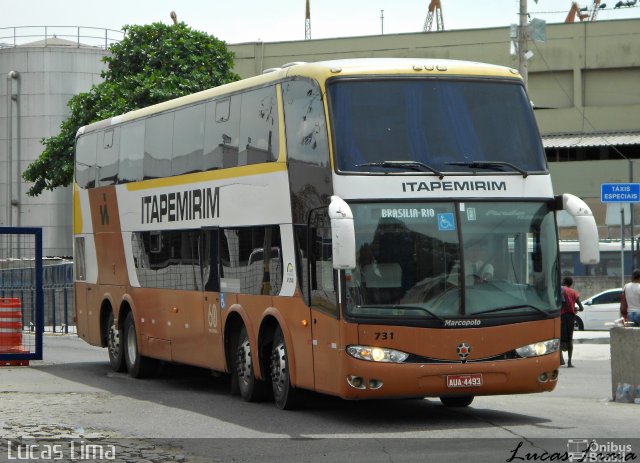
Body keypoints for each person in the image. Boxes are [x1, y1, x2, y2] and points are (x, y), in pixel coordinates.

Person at [560, 276, 583, 367]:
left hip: (561, 317)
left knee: (559, 338)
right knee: (570, 339)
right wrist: (575, 308)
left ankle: (560, 360)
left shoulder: (560, 289)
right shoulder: (574, 292)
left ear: (564, 282)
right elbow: (581, 307)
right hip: (571, 317)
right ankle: (569, 362)